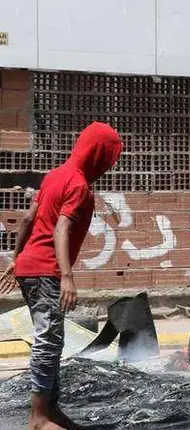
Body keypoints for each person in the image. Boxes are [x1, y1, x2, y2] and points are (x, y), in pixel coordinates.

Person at [0, 122, 123, 430]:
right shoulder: (79, 185)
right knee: (48, 342)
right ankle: (39, 418)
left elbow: (29, 218)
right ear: (97, 154)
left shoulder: (54, 175)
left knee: (51, 339)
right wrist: (66, 275)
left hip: (30, 267)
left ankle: (50, 411)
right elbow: (61, 228)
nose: (108, 165)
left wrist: (16, 260)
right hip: (46, 270)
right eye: (108, 157)